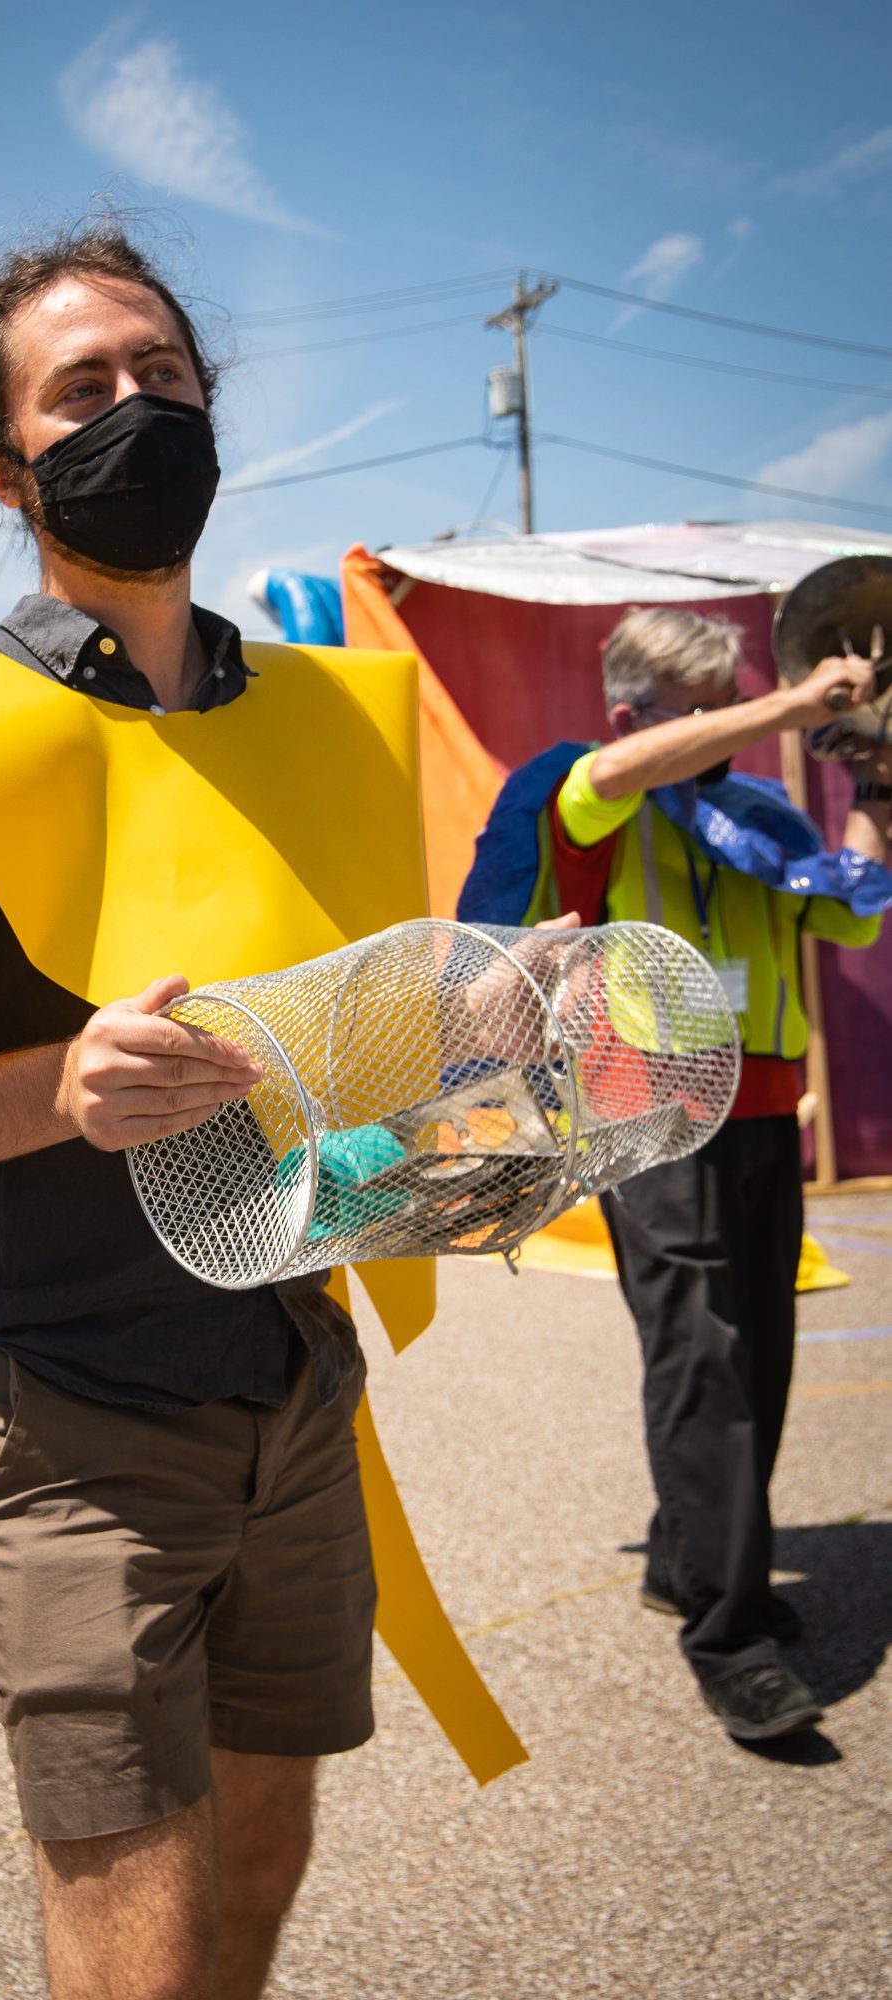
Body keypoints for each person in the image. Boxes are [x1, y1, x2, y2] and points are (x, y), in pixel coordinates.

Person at [0, 224, 443, 2000]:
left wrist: (465, 1099)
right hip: (64, 1414)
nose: (136, 407)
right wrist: (57, 1089)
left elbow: (359, 1060)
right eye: (83, 388)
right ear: (4, 460)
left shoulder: (330, 723)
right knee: (135, 1933)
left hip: (294, 1379)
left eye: (163, 373)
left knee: (266, 1857)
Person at [462, 605, 890, 1744]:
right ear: (630, 715)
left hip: (759, 1113)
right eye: (699, 713)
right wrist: (798, 703)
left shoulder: (758, 810)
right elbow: (615, 772)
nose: (729, 734)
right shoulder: (592, 789)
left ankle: (681, 1558)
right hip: (646, 1109)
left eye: (733, 706)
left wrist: (873, 792)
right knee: (703, 1356)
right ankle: (728, 1633)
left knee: (760, 1347)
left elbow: (850, 920)